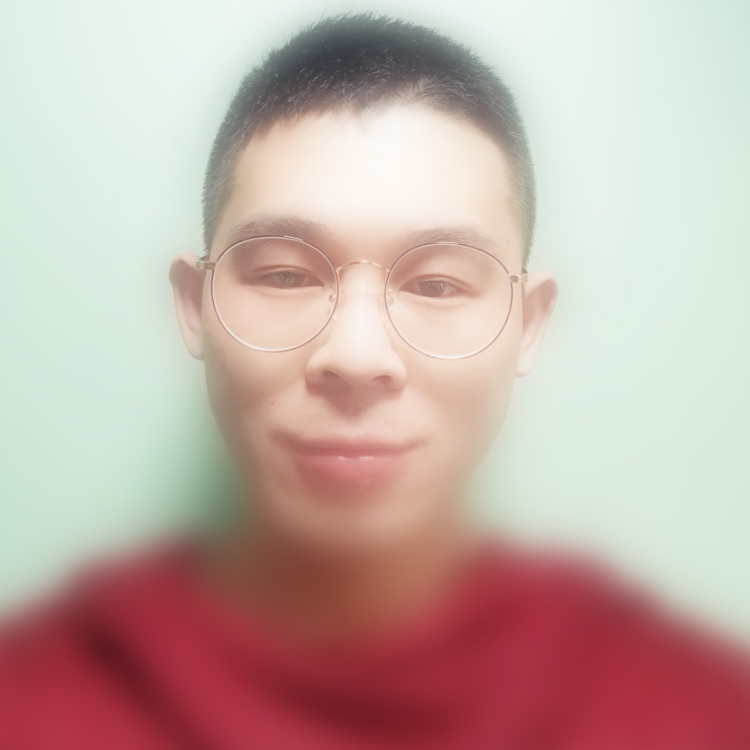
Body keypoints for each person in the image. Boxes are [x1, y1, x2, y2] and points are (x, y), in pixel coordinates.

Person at [1, 13, 749, 750]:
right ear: (195, 307)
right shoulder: (30, 707)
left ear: (528, 325)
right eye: (286, 274)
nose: (357, 357)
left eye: (437, 285)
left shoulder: (698, 717)